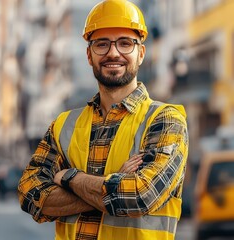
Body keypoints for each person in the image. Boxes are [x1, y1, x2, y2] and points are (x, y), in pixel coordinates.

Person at [17, 1, 189, 240]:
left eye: (125, 43)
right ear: (89, 54)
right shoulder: (64, 124)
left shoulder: (165, 120)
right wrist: (114, 182)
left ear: (141, 53)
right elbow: (30, 195)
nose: (113, 53)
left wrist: (68, 177)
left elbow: (139, 197)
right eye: (102, 44)